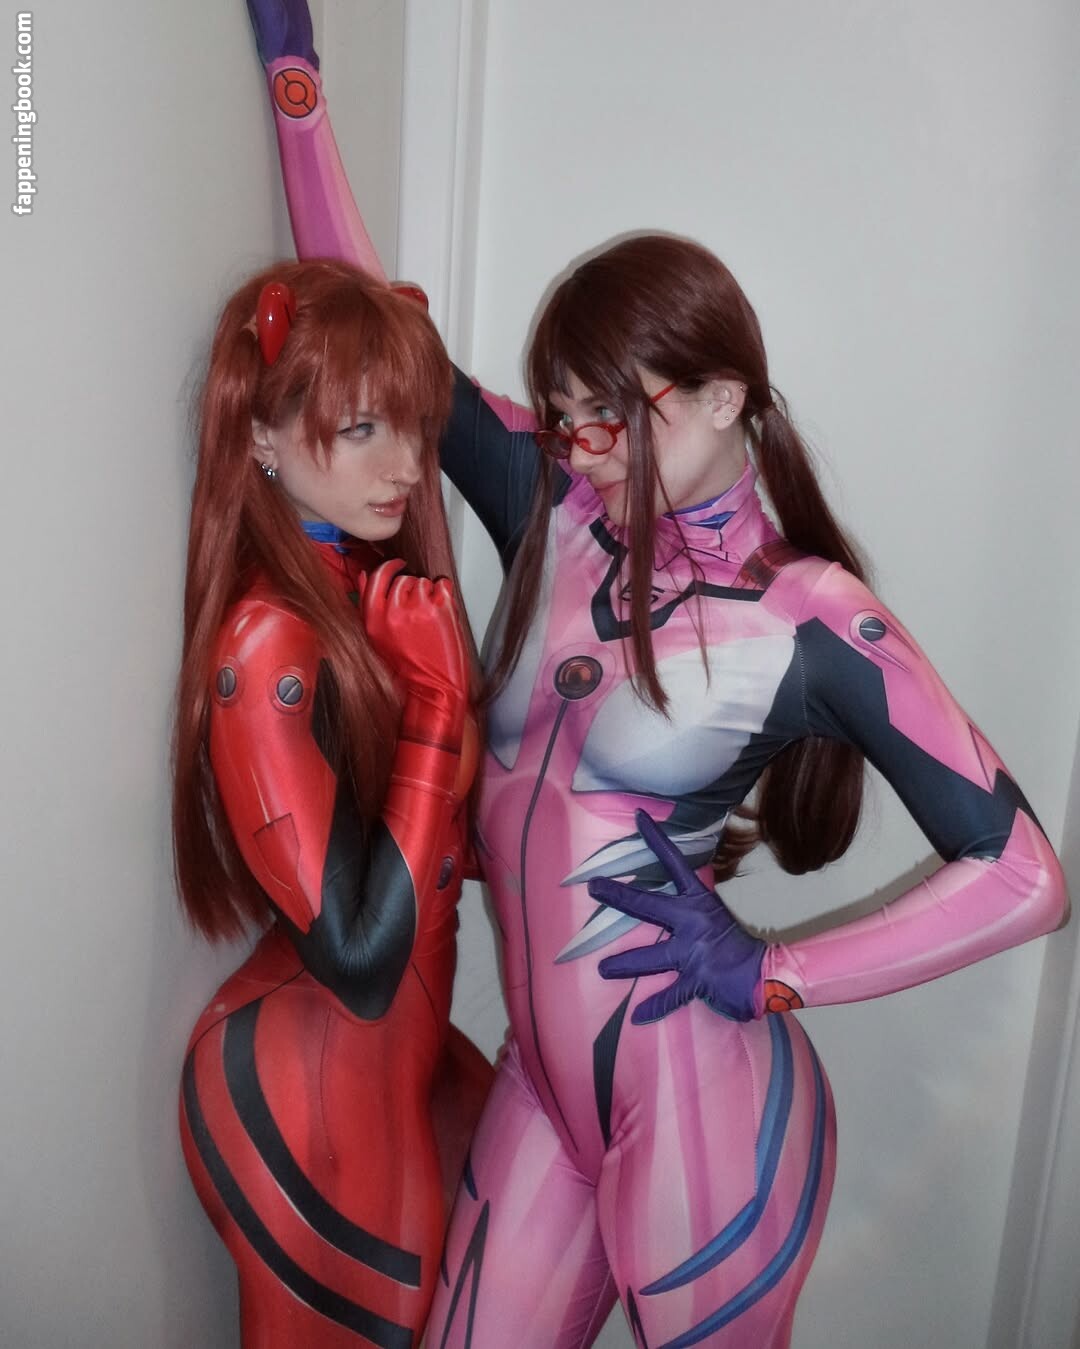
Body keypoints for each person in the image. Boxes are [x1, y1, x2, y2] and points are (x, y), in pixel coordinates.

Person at [239, 7, 1069, 1345]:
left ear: (726, 395)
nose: (587, 446)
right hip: (545, 1091)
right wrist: (297, 82)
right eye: (570, 414)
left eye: (619, 413)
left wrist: (778, 970)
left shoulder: (810, 615)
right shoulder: (555, 504)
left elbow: (1025, 874)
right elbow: (379, 339)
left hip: (698, 1101)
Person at [173, 258, 492, 1349]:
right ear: (262, 437)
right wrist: (438, 704)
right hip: (313, 1078)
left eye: (413, 426)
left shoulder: (363, 595)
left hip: (400, 1060)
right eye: (362, 429)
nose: (406, 465)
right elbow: (356, 956)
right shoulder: (269, 643)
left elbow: (444, 840)